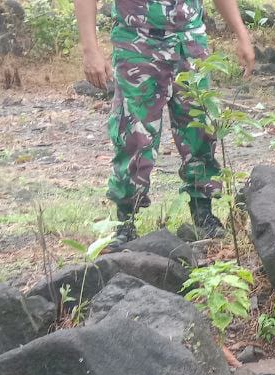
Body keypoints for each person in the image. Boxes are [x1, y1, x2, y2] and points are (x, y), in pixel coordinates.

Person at [73, 0, 255, 245]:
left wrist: (241, 33)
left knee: (201, 129)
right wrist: (90, 50)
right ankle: (125, 222)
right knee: (133, 134)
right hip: (138, 42)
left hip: (189, 43)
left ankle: (203, 215)